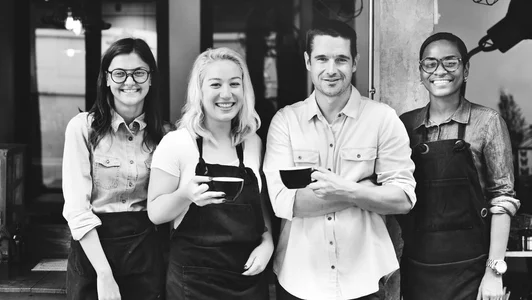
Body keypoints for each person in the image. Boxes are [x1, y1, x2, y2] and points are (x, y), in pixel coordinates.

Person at [263, 20, 417, 300]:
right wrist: (364, 191)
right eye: (322, 58)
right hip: (300, 278)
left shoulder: (383, 119)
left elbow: (403, 199)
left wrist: (345, 189)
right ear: (308, 61)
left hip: (366, 278)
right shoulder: (285, 122)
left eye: (341, 59)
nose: (331, 70)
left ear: (355, 62)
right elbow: (285, 203)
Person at [398, 32, 520, 300]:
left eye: (450, 62)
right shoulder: (404, 125)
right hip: (417, 268)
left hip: (473, 269)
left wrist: (494, 273)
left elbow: (502, 199)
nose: (439, 70)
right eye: (430, 63)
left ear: (465, 70)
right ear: (420, 72)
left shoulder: (487, 122)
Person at [147, 47, 273, 299]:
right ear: (200, 91)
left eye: (234, 84)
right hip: (193, 283)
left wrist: (267, 241)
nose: (226, 94)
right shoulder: (177, 143)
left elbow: (259, 204)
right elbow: (155, 213)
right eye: (215, 84)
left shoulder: (252, 142)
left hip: (246, 279)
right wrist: (185, 194)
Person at [62, 37, 167, 300]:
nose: (129, 81)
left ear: (150, 78)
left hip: (146, 256)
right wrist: (104, 275)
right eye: (119, 73)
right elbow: (77, 209)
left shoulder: (166, 135)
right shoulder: (82, 128)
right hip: (92, 256)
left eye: (139, 73)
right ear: (107, 79)